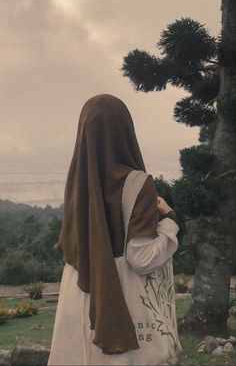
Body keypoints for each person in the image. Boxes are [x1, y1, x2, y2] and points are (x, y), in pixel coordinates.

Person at [47, 94, 182, 366]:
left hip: (79, 291)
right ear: (125, 130)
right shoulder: (138, 183)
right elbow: (141, 258)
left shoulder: (78, 181)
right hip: (122, 300)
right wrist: (169, 221)